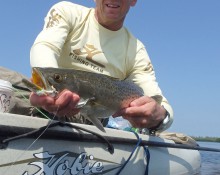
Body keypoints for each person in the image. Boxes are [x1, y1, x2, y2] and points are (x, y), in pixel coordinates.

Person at [29, 0, 173, 133]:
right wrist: (47, 92)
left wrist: (160, 117)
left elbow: (161, 104)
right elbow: (45, 47)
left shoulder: (136, 50)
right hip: (41, 101)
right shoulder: (67, 11)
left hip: (86, 115)